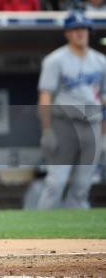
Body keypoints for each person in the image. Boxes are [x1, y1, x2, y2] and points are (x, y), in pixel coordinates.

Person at [36, 11, 105, 209]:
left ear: (89, 31)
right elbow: (45, 96)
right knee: (56, 182)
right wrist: (47, 130)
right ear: (67, 33)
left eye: (83, 29)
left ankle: (75, 237)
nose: (79, 33)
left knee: (83, 185)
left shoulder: (101, 61)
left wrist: (104, 133)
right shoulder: (55, 60)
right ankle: (39, 230)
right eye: (75, 29)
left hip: (92, 124)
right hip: (64, 124)